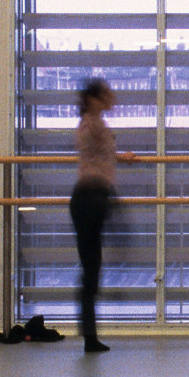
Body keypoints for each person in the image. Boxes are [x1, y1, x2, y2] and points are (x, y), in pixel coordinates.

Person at [70, 75, 127, 356]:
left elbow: (99, 155)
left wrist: (122, 156)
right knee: (91, 266)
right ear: (93, 99)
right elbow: (91, 147)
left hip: (95, 196)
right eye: (105, 94)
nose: (111, 98)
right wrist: (94, 105)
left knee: (92, 265)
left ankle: (90, 334)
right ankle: (89, 335)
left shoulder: (95, 124)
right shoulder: (90, 123)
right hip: (91, 197)